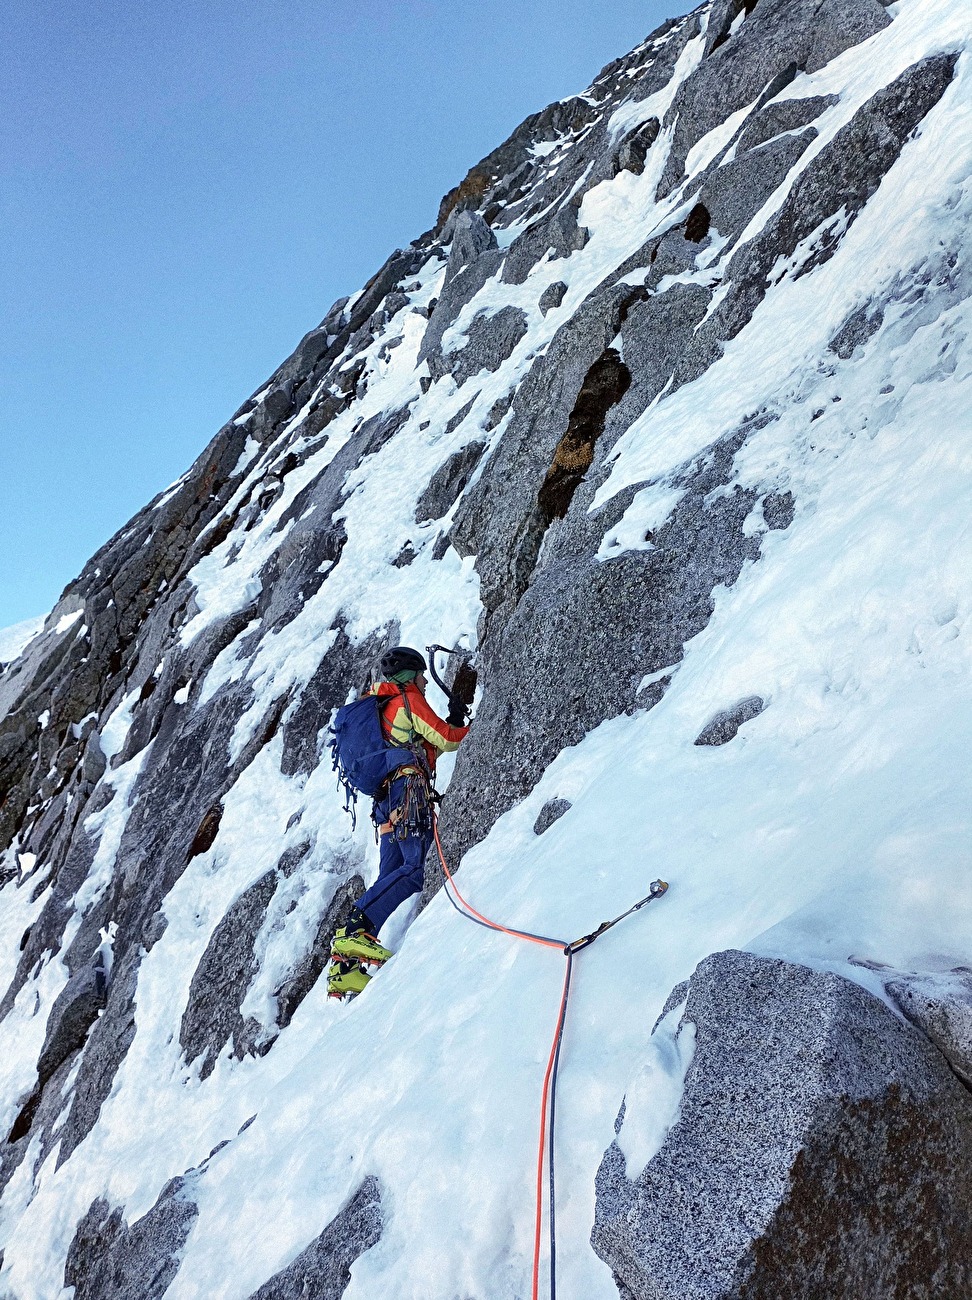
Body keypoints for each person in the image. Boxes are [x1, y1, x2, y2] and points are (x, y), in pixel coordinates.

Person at [328, 646, 470, 997]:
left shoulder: (379, 708)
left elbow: (424, 745)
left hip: (385, 801)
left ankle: (344, 969)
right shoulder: (407, 699)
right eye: (421, 675)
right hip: (408, 793)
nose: (424, 681)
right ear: (409, 676)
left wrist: (450, 721)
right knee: (412, 871)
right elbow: (448, 741)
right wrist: (471, 726)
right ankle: (355, 930)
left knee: (390, 875)